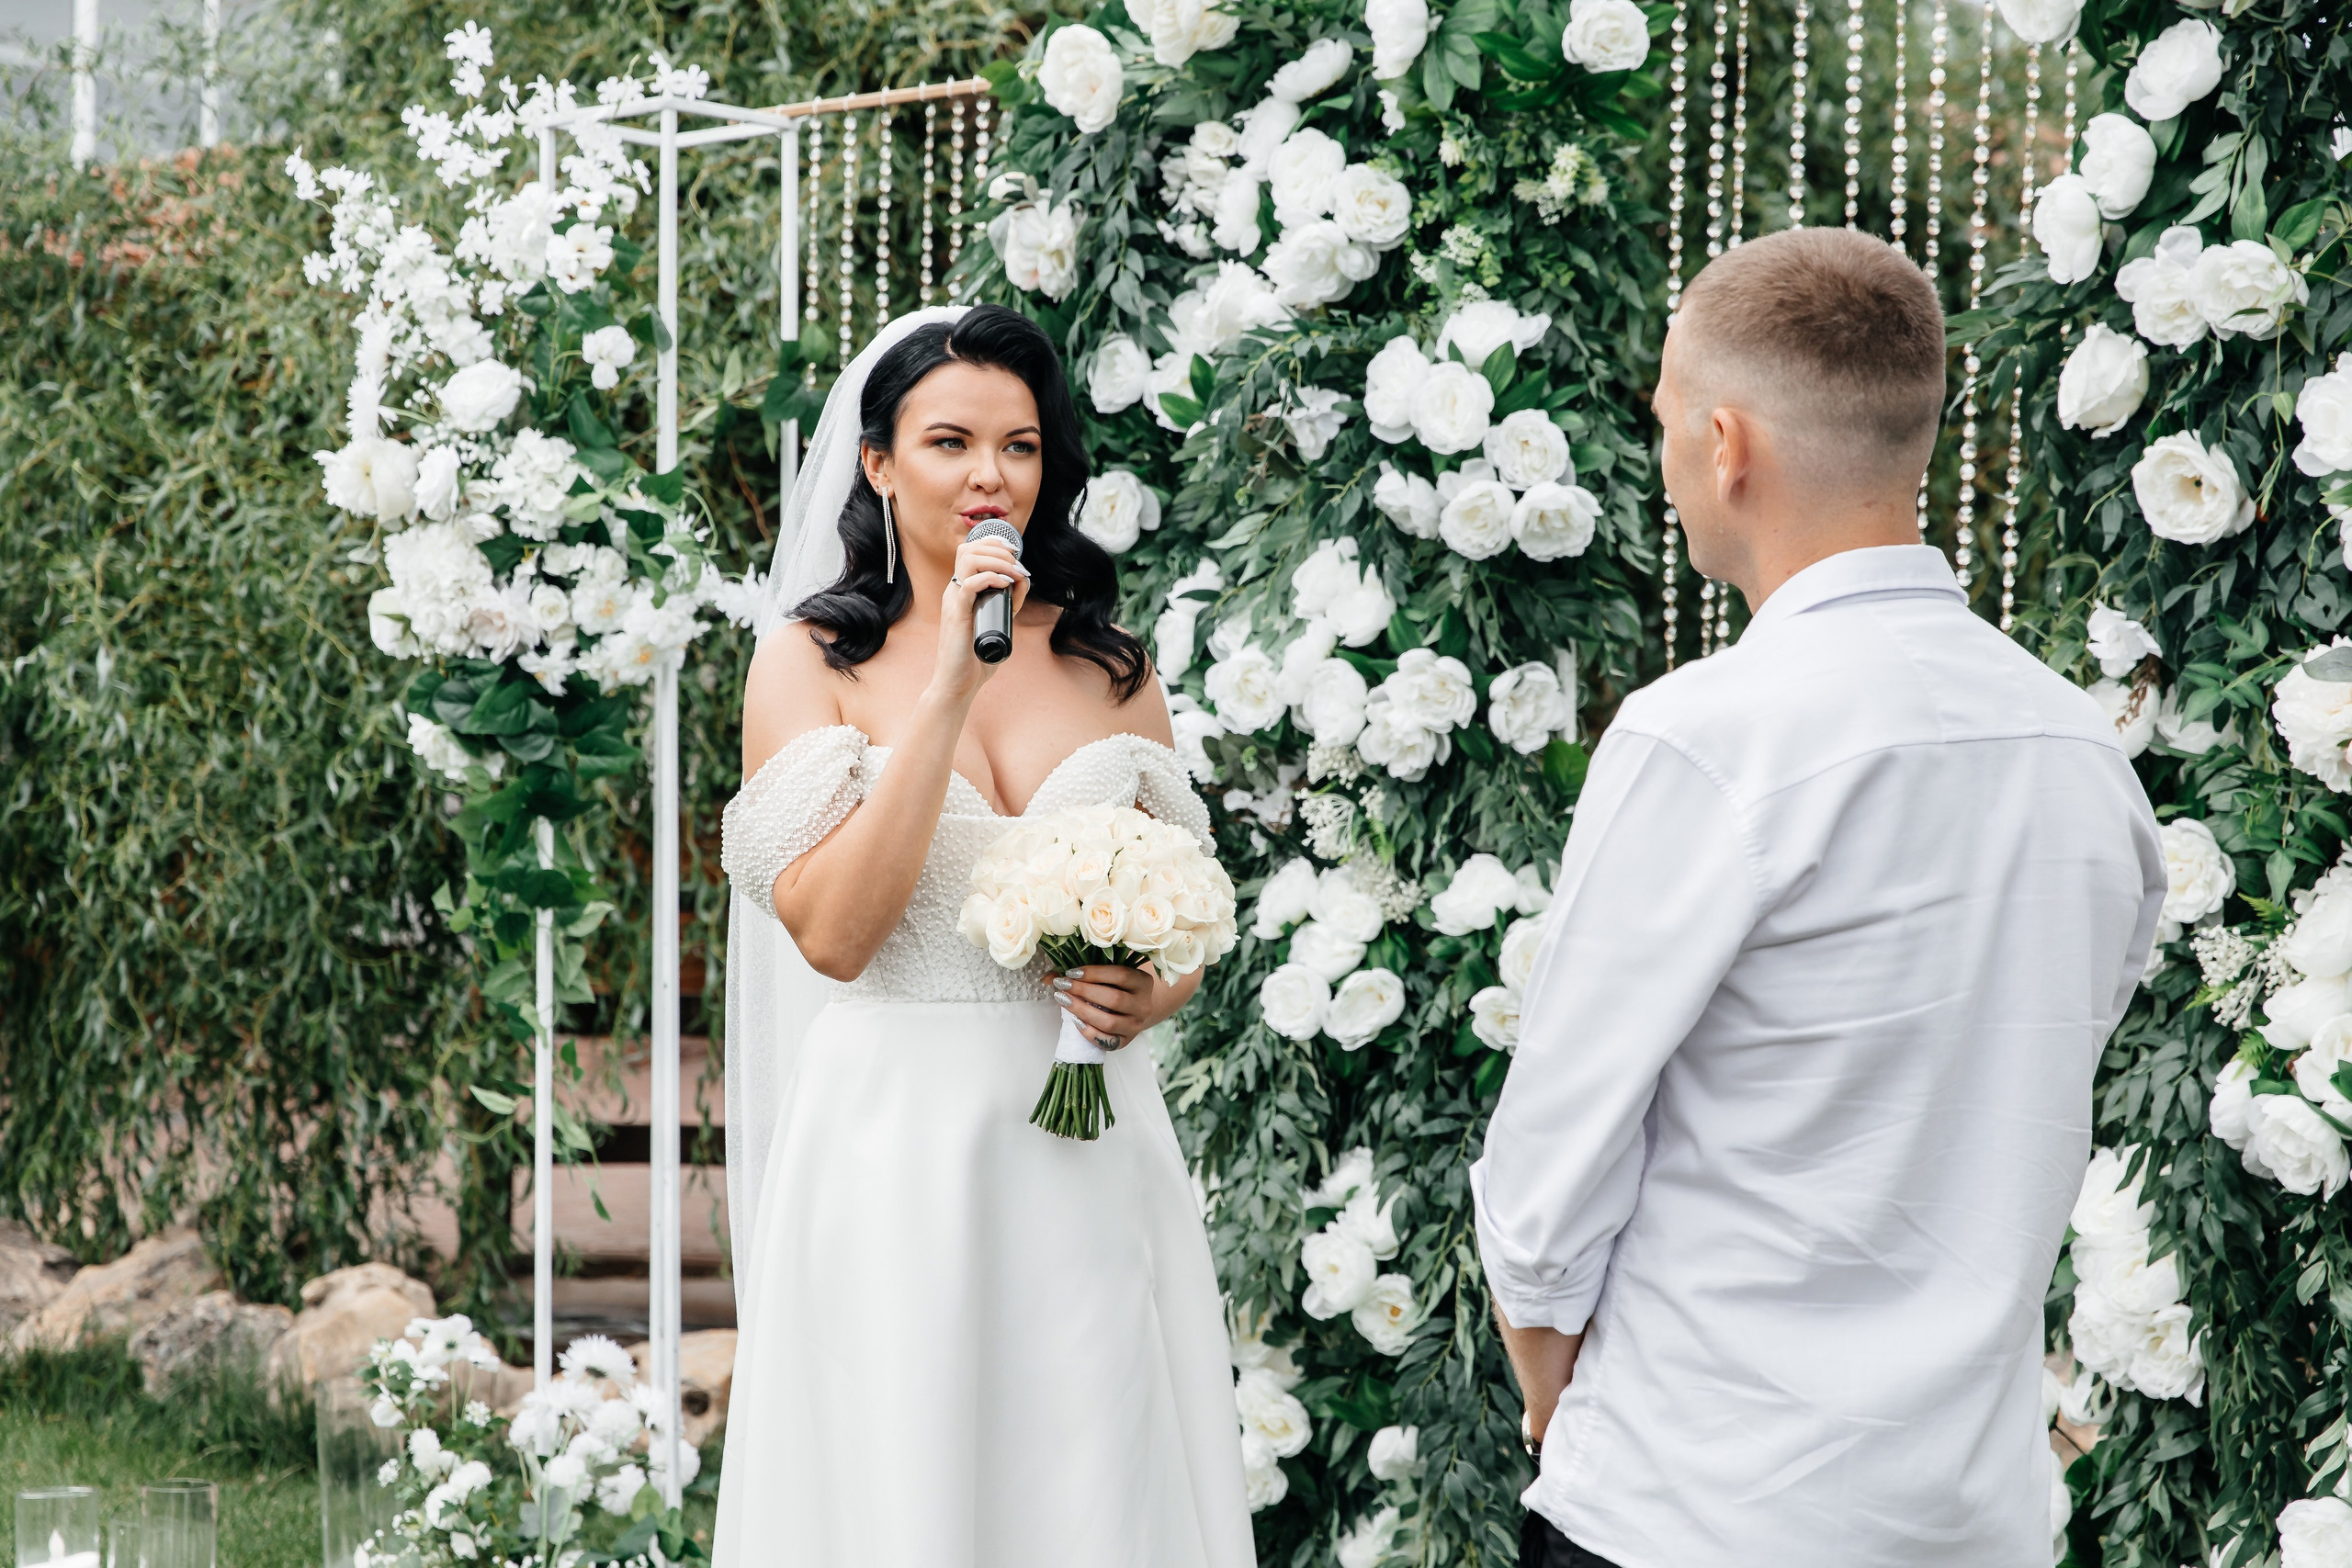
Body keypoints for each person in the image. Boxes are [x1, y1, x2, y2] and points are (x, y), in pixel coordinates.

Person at [1472, 229, 2167, 1568]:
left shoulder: (1707, 738)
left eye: (1666, 422)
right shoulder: (2079, 750)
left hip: (1698, 1502)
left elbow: (1550, 1169)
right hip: (1971, 1515)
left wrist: (1558, 1400)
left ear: (1725, 444)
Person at [713, 303, 1255, 1568]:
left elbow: (1185, 911)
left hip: (1088, 1136)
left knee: (1095, 1482)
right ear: (879, 463)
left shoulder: (1112, 666)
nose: (989, 476)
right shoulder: (809, 663)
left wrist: (1151, 994)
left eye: (1019, 446)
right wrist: (952, 681)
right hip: (898, 1143)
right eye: (950, 442)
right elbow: (834, 935)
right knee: (902, 1484)